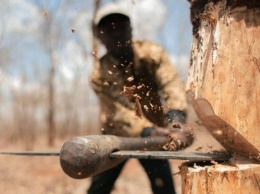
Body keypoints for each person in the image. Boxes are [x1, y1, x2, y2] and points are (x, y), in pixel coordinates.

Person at [88, 4, 193, 194]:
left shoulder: (151, 53)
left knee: (164, 188)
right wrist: (147, 131)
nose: (116, 33)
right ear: (100, 36)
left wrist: (176, 119)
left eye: (121, 27)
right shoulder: (99, 74)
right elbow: (116, 112)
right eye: (109, 30)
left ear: (130, 29)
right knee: (99, 188)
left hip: (155, 133)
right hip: (115, 136)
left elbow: (171, 83)